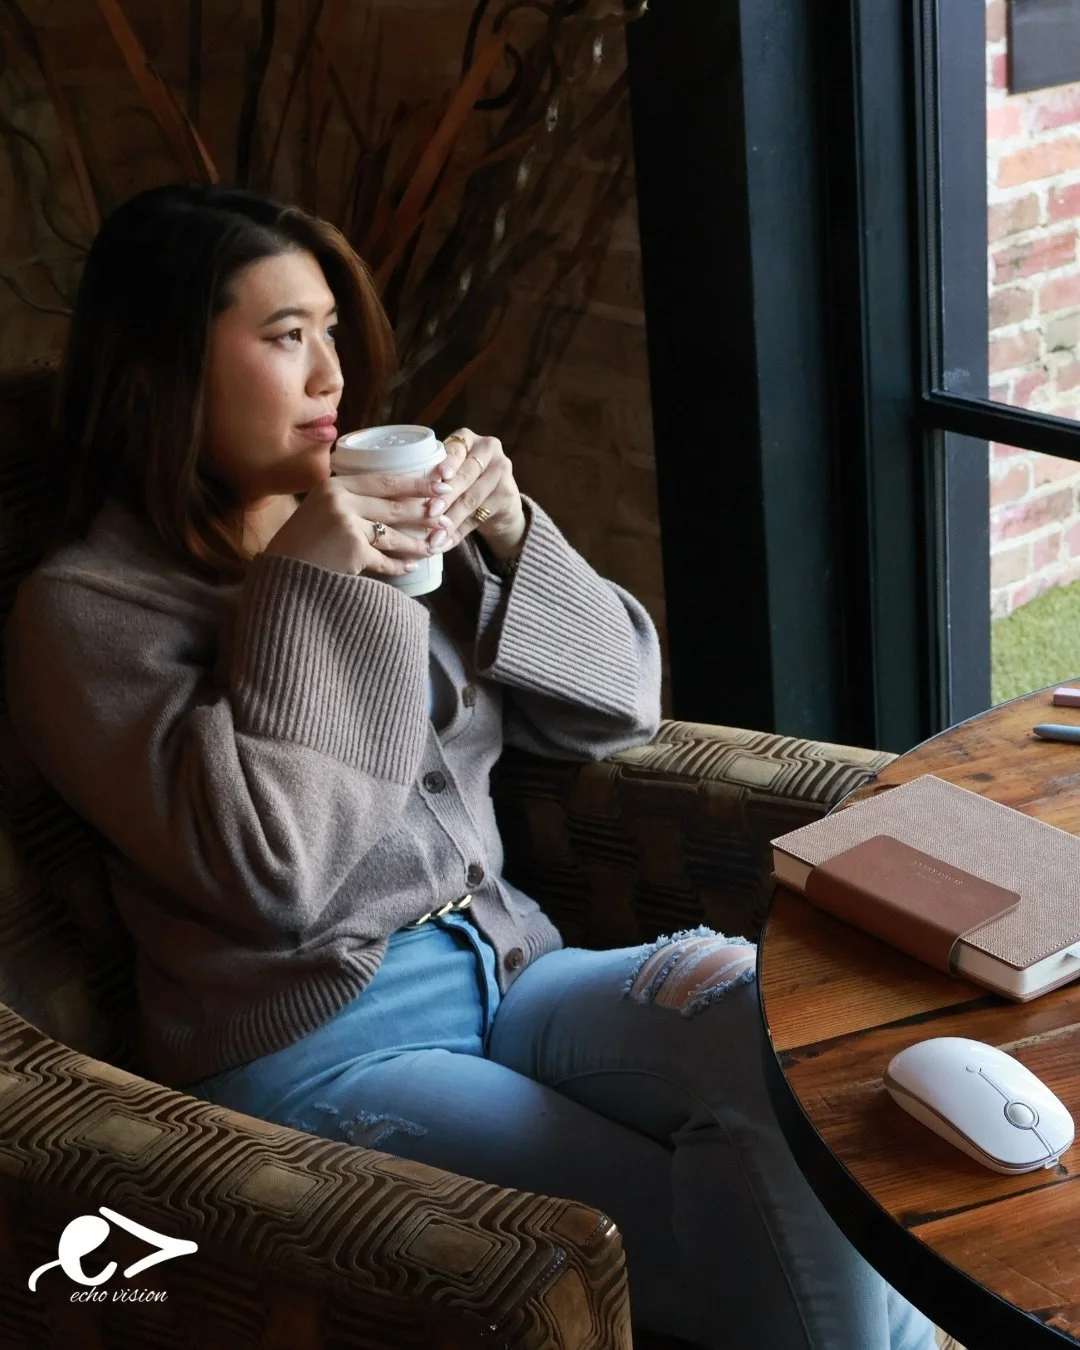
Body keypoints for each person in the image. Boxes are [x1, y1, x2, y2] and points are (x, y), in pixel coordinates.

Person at [3, 183, 935, 1350]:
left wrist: (511, 535)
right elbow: (273, 876)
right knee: (698, 1236)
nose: (332, 375)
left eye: (332, 331)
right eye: (286, 336)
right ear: (163, 367)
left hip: (516, 968)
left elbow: (620, 710)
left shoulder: (378, 527)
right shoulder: (86, 614)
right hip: (320, 1051)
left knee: (790, 1037)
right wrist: (310, 585)